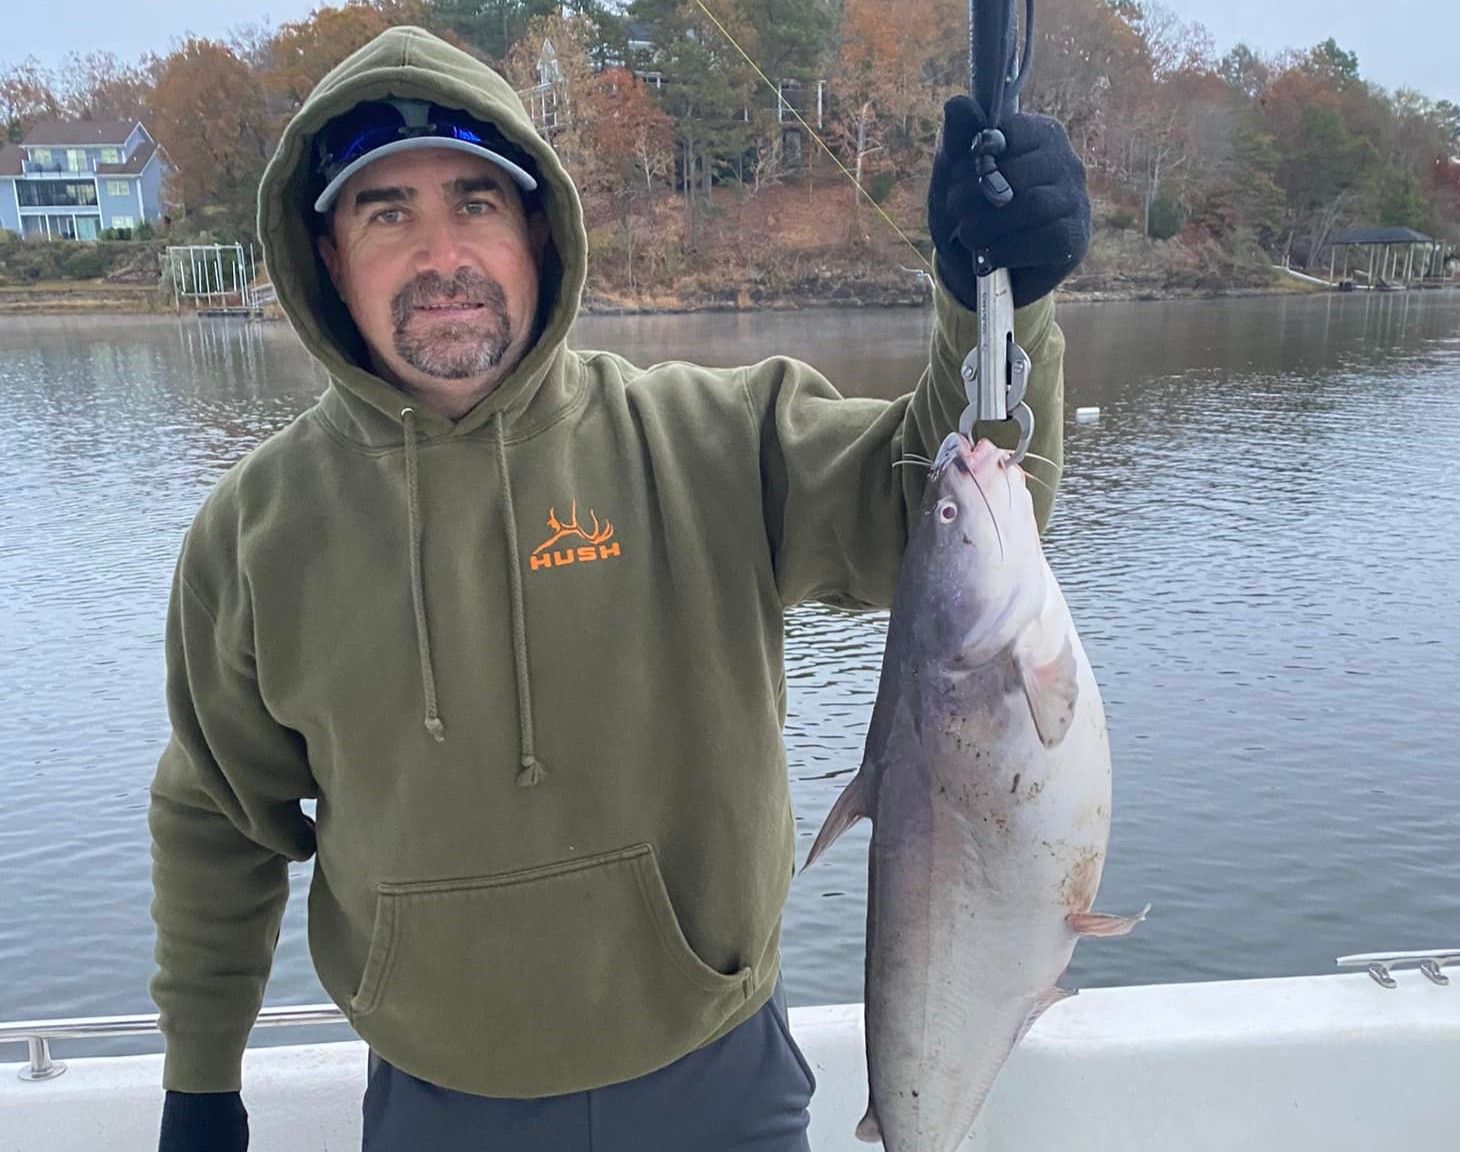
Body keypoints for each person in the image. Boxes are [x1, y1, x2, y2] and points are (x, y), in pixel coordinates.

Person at [148, 24, 1089, 1152]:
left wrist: (998, 294)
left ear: (539, 231)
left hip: (718, 1076)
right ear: (326, 257)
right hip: (439, 1098)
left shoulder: (714, 437)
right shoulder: (254, 533)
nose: (440, 252)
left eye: (475, 203)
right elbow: (217, 817)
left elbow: (945, 517)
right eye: (385, 213)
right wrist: (200, 1081)